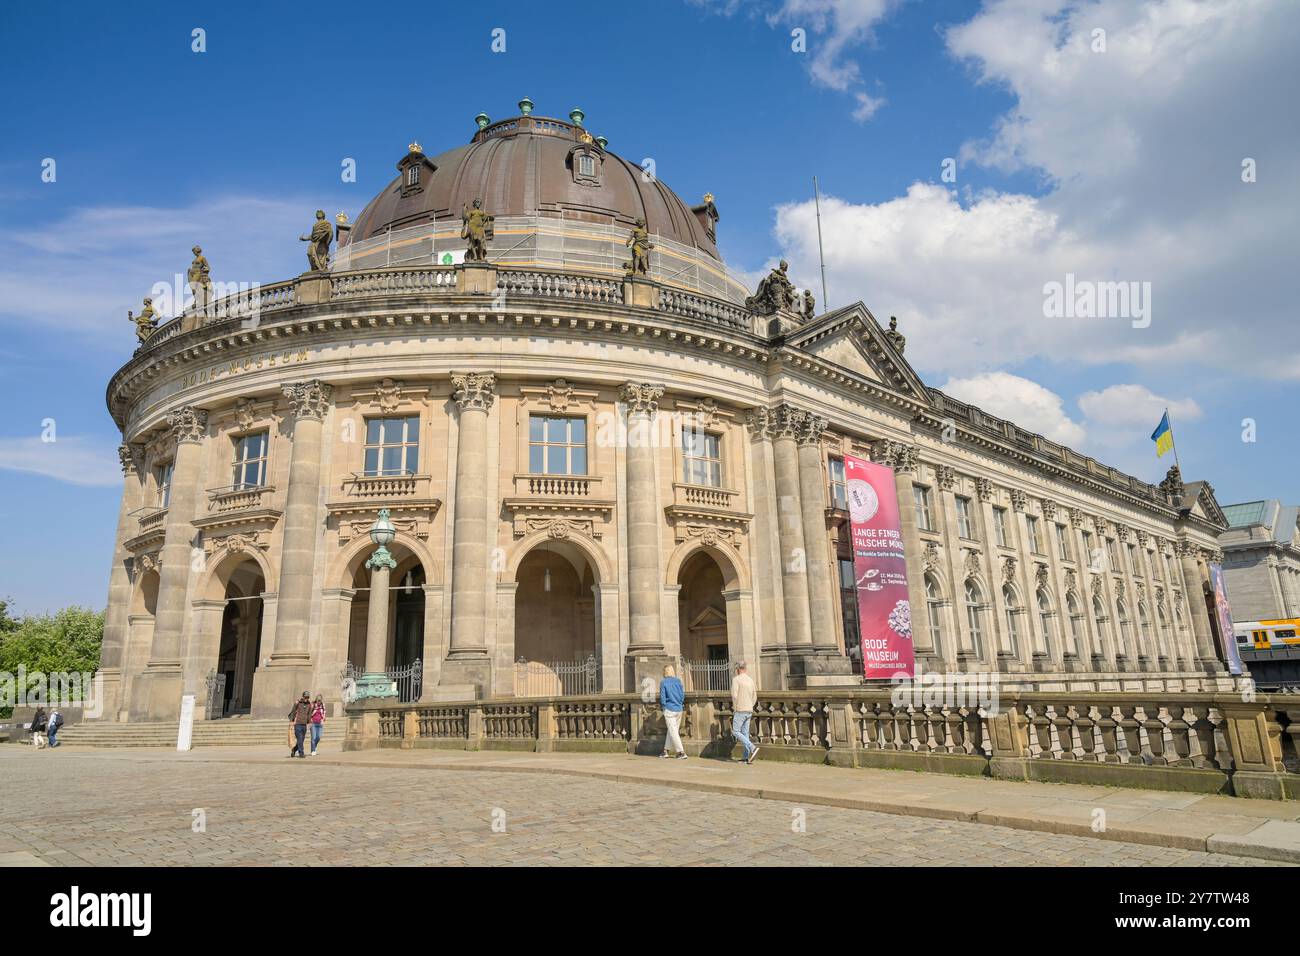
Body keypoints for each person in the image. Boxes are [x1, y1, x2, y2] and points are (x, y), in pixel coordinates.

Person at [730, 661, 759, 764]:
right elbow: (754, 696)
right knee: (745, 733)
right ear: (745, 669)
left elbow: (734, 696)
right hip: (749, 709)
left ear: (738, 669)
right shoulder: (750, 680)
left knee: (735, 731)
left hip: (740, 709)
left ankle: (752, 747)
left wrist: (735, 708)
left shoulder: (736, 680)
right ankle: (746, 757)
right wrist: (750, 705)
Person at [659, 664, 687, 760]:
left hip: (669, 709)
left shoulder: (664, 682)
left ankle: (681, 752)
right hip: (679, 709)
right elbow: (682, 696)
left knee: (673, 731)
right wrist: (679, 703)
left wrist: (663, 706)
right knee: (672, 731)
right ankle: (665, 751)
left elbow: (662, 698)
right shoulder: (678, 681)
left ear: (665, 672)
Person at [288, 691, 312, 758]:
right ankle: (301, 753)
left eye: (308, 697)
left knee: (301, 740)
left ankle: (294, 750)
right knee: (300, 739)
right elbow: (293, 712)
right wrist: (291, 721)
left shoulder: (309, 705)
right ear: (303, 696)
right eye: (305, 697)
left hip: (304, 725)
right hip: (297, 724)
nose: (306, 698)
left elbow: (309, 714)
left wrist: (309, 722)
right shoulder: (297, 703)